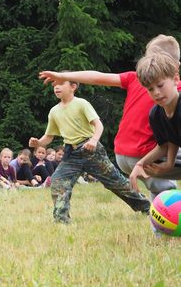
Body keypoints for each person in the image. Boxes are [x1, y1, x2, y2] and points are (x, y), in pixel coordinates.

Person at [38, 34, 181, 199]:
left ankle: (157, 211)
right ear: (176, 67)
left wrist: (64, 76)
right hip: (143, 153)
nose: (155, 92)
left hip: (122, 154)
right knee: (166, 193)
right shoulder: (169, 89)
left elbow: (97, 77)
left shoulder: (136, 78)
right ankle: (165, 205)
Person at [29, 78, 150, 223]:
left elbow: (98, 125)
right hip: (71, 154)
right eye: (54, 85)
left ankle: (147, 207)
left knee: (116, 182)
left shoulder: (81, 104)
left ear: (73, 86)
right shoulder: (54, 111)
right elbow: (49, 136)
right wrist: (38, 143)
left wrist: (93, 140)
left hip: (91, 151)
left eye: (61, 84)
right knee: (58, 181)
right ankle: (61, 220)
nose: (56, 87)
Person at [129, 50, 181, 190]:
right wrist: (140, 164)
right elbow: (167, 143)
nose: (156, 92)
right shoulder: (156, 114)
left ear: (176, 79)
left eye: (160, 85)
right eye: (150, 89)